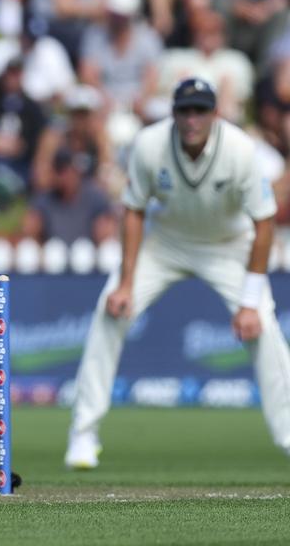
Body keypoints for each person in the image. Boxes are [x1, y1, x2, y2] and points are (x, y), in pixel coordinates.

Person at [65, 78, 290, 469]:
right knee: (110, 311)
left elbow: (264, 223)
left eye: (200, 110)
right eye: (185, 111)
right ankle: (83, 435)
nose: (192, 120)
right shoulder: (150, 145)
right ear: (173, 113)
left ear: (215, 114)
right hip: (166, 243)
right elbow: (134, 210)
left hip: (228, 244)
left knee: (265, 329)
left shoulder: (239, 150)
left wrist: (249, 303)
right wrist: (126, 283)